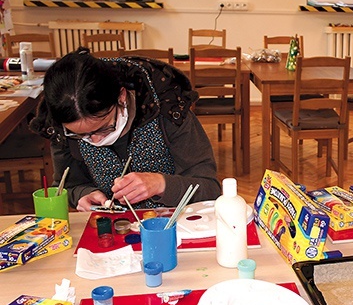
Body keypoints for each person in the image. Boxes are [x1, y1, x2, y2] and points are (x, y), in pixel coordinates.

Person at [30, 48, 222, 211]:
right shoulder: (60, 125)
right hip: (112, 234)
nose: (95, 141)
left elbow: (209, 188)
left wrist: (161, 184)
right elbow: (67, 186)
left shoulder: (168, 109)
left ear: (121, 97)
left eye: (104, 128)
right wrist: (83, 194)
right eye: (80, 135)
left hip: (175, 229)